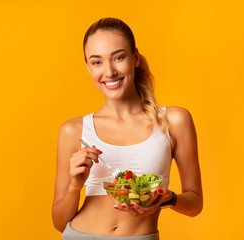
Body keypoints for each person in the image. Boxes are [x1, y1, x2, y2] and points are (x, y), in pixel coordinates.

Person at [51, 18, 203, 240]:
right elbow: (58, 222)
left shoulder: (174, 120)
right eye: (97, 62)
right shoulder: (73, 130)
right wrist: (75, 186)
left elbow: (195, 204)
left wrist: (167, 198)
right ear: (88, 67)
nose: (109, 72)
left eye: (118, 57)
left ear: (135, 58)